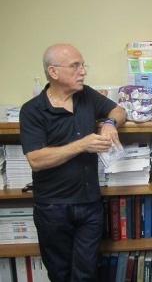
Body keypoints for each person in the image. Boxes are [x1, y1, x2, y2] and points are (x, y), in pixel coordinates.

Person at [19, 44, 126, 282]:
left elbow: (119, 110)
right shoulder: (32, 110)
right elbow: (36, 159)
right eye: (75, 66)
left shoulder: (86, 95)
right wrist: (81, 145)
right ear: (53, 72)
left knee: (86, 274)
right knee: (60, 274)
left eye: (83, 65)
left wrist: (109, 123)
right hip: (53, 208)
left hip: (89, 205)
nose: (83, 71)